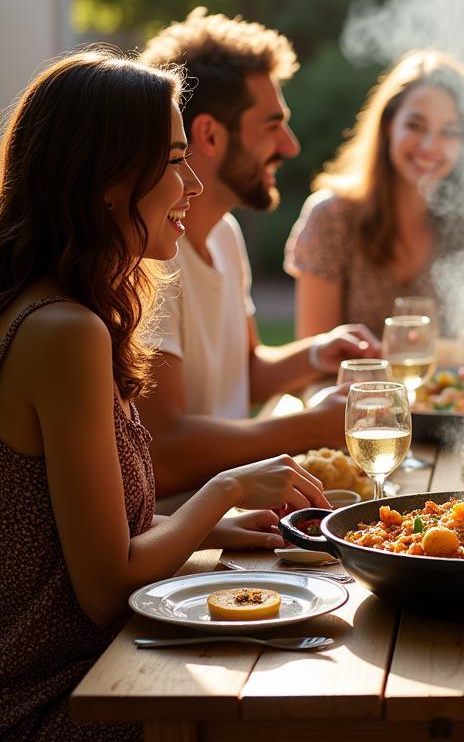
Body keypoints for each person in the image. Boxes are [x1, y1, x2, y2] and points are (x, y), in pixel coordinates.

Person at [0, 54, 330, 741]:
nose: (190, 182)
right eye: (173, 160)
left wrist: (213, 535)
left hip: (109, 668)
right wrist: (227, 491)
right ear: (107, 179)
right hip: (67, 698)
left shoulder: (61, 311)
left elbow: (91, 535)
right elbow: (105, 591)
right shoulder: (64, 332)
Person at [137, 9, 379, 500]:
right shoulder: (152, 256)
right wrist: (312, 427)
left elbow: (244, 373)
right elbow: (164, 449)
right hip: (194, 535)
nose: (289, 146)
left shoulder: (224, 233)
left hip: (242, 509)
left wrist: (316, 352)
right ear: (208, 134)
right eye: (272, 126)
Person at [286, 49, 464, 340]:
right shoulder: (333, 218)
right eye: (415, 126)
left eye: (449, 132)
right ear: (388, 126)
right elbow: (312, 361)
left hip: (461, 387)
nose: (429, 146)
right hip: (352, 387)